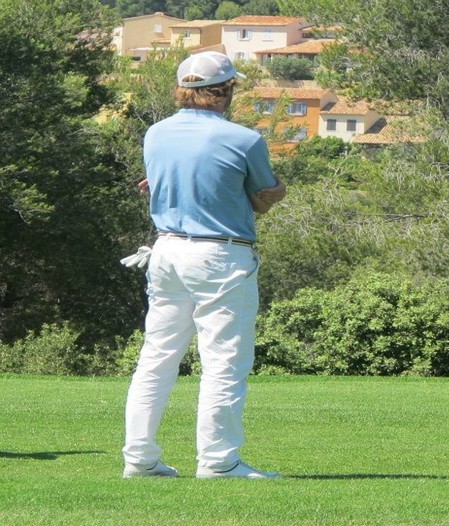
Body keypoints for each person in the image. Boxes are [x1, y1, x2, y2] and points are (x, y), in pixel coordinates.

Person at [122, 51, 286, 479]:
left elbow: (165, 184)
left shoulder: (156, 133)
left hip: (166, 250)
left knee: (156, 359)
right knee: (224, 362)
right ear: (226, 90)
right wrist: (275, 192)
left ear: (183, 88)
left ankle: (140, 459)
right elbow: (263, 197)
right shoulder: (244, 139)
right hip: (220, 253)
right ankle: (219, 461)